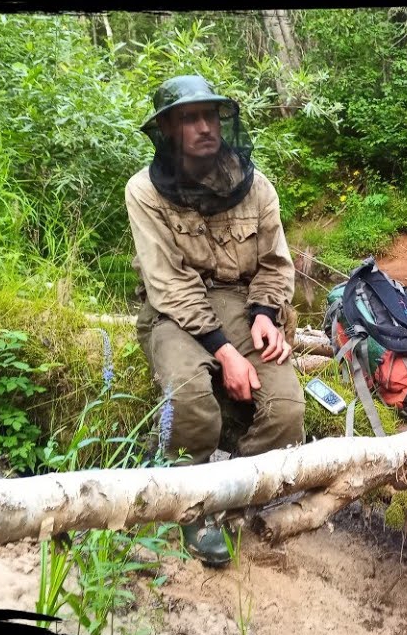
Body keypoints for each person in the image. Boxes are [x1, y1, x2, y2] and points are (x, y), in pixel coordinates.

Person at [126, 75, 306, 567]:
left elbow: (275, 264)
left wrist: (267, 315)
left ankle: (230, 495)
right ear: (167, 127)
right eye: (189, 117)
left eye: (210, 115)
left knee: (288, 411)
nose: (204, 127)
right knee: (190, 398)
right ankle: (187, 503)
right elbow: (169, 284)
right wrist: (225, 352)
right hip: (172, 312)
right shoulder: (143, 191)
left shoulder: (256, 185)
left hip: (244, 302)